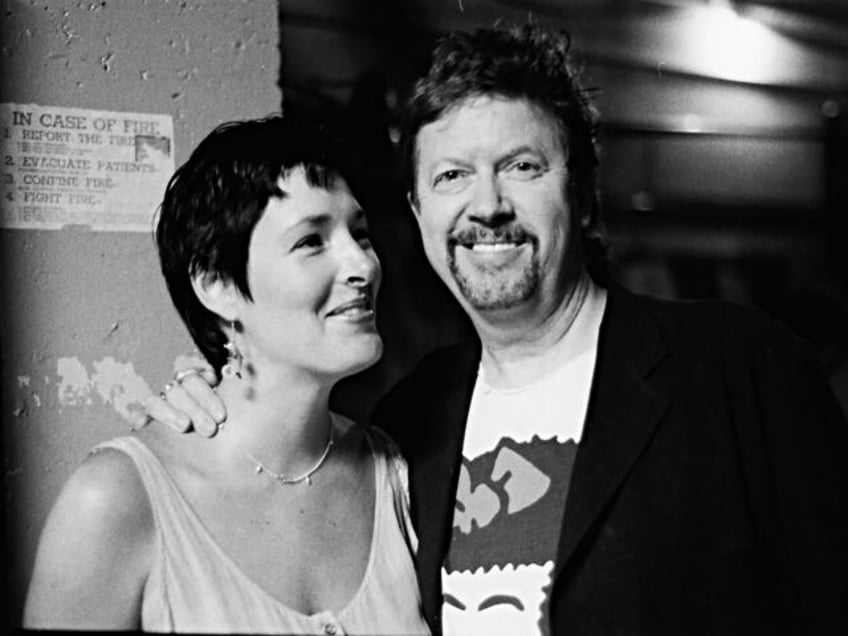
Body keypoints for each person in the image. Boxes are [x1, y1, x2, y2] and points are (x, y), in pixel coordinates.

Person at [142, 25, 848, 635]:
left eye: (522, 166)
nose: (488, 205)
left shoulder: (743, 371)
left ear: (582, 191)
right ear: (418, 215)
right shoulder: (409, 424)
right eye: (452, 176)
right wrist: (213, 403)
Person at [24, 117, 430, 634]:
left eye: (361, 233)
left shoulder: (396, 473)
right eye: (311, 241)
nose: (363, 266)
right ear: (215, 284)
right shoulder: (113, 501)